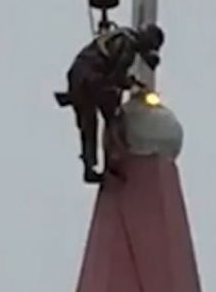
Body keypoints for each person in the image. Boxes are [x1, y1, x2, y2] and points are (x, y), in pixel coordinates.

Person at [55, 24, 165, 183]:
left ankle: (90, 167)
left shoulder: (123, 36)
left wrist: (129, 82)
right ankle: (113, 161)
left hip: (79, 74)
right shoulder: (128, 45)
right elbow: (117, 76)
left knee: (88, 123)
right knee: (112, 117)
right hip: (91, 77)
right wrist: (132, 85)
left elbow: (114, 72)